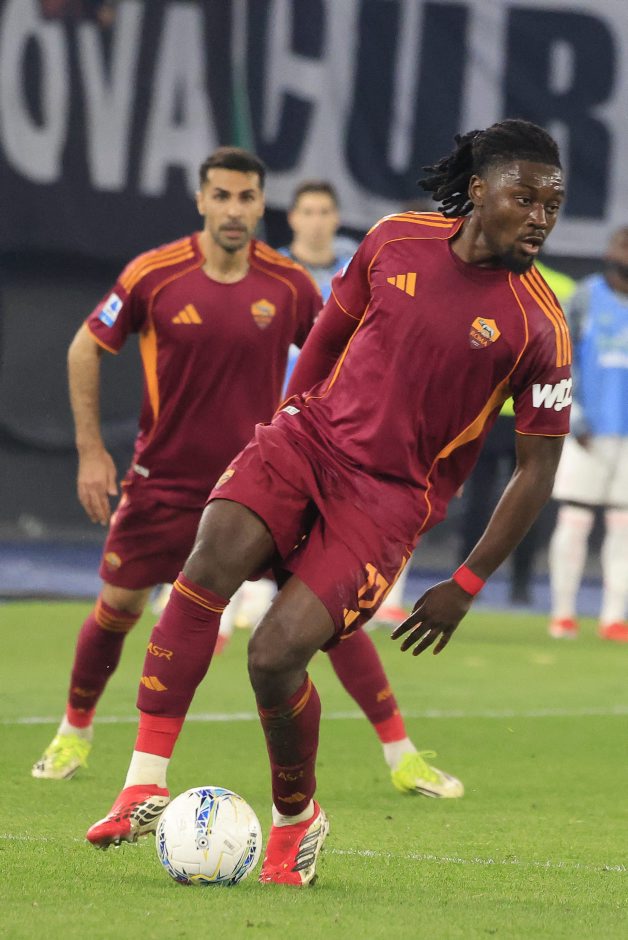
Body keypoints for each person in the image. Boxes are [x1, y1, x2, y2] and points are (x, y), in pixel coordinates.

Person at [86, 119, 570, 887]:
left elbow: (537, 471)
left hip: (387, 500)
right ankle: (142, 783)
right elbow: (328, 336)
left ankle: (296, 818)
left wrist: (466, 582)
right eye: (525, 198)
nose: (541, 217)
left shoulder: (540, 324)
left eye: (553, 204)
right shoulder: (394, 240)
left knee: (274, 656)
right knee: (206, 564)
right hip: (306, 440)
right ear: (479, 192)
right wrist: (286, 418)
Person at [33, 147, 461, 804]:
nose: (234, 210)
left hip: (262, 492)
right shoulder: (154, 275)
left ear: (262, 205)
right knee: (117, 609)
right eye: (222, 196)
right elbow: (85, 345)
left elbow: (341, 358)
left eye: (246, 197)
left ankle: (402, 756)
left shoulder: (289, 285)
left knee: (329, 625)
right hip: (164, 485)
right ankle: (73, 732)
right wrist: (91, 449)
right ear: (202, 200)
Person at [279, 181, 409, 624]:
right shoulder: (274, 271)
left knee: (365, 506)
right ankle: (222, 595)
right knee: (272, 507)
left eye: (324, 212)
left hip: (347, 413)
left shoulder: (364, 265)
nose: (316, 222)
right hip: (283, 409)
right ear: (293, 218)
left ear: (336, 218)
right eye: (308, 211)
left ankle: (373, 597)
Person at [458, 262, 576, 605]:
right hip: (510, 410)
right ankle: (507, 585)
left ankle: (503, 581)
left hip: (513, 409)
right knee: (506, 500)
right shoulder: (558, 285)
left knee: (503, 499)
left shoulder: (559, 288)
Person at [548, 227, 628, 640]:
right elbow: (561, 357)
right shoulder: (584, 297)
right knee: (575, 518)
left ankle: (614, 616)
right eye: (623, 246)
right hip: (589, 428)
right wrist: (572, 413)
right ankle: (563, 612)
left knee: (623, 526)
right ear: (609, 251)